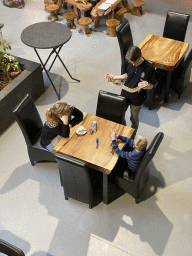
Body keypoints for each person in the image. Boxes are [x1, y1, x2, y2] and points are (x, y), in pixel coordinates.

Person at [106, 46, 155, 138]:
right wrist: (115, 77)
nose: (132, 64)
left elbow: (151, 85)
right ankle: (123, 131)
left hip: (137, 99)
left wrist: (146, 86)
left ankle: (132, 136)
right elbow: (127, 75)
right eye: (131, 62)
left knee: (134, 119)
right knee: (119, 114)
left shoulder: (149, 68)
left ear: (140, 57)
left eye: (134, 62)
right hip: (125, 94)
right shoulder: (128, 61)